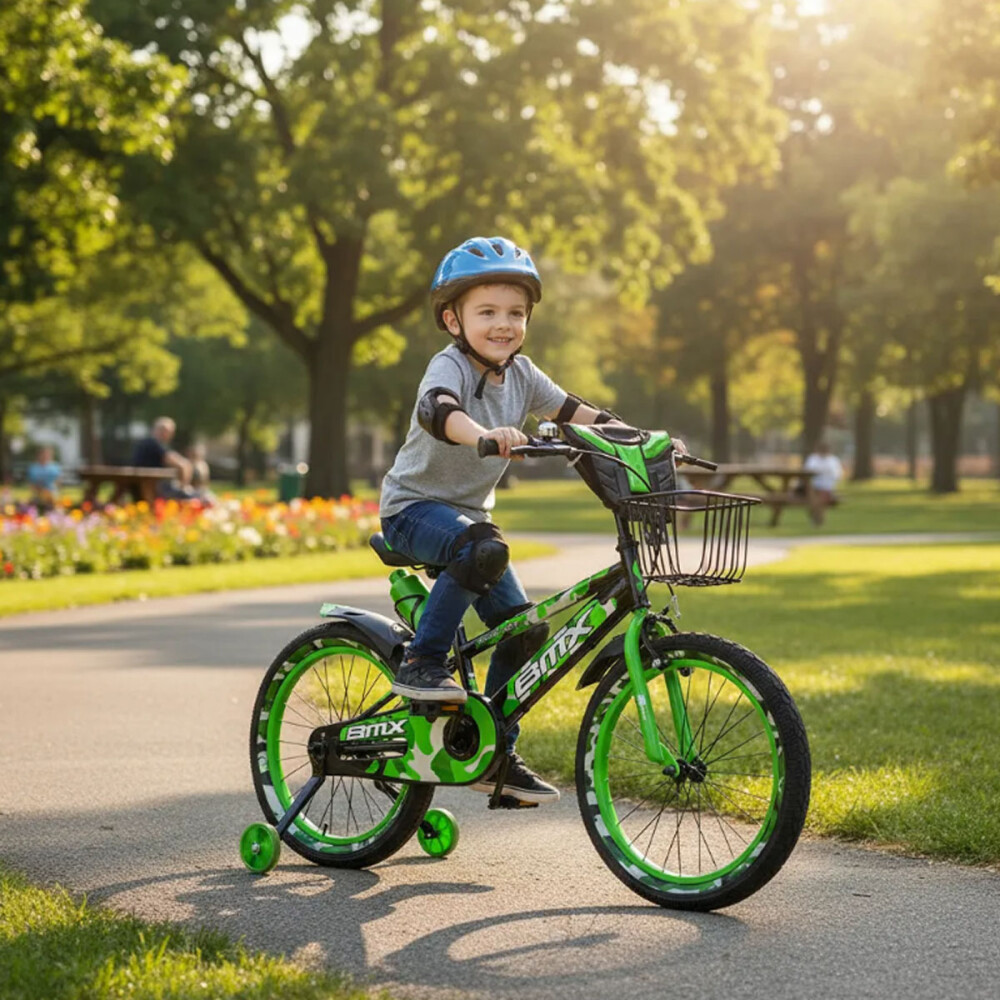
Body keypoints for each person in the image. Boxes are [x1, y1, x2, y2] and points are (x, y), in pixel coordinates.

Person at [379, 236, 676, 804]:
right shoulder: (449, 365)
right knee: (484, 548)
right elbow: (439, 411)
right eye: (486, 312)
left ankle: (495, 750)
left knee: (527, 628)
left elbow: (580, 414)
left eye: (515, 313)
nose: (503, 324)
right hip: (412, 511)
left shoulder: (523, 374)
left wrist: (644, 440)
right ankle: (421, 663)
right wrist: (484, 435)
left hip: (466, 521)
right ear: (453, 319)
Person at [132, 417, 195, 500]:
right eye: (166, 431)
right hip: (153, 489)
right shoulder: (154, 443)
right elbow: (182, 465)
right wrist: (184, 487)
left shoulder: (145, 443)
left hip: (141, 487)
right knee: (191, 497)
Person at [803, 440, 843, 526]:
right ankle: (817, 518)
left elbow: (837, 475)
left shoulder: (833, 460)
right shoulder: (813, 458)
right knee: (813, 495)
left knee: (819, 499)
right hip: (814, 486)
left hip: (826, 486)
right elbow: (807, 471)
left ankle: (816, 516)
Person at [27, 446, 62, 511]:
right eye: (43, 454)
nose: (45, 456)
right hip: (38, 491)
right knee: (34, 501)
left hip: (51, 492)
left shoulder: (54, 467)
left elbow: (58, 481)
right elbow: (31, 483)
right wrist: (38, 489)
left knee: (52, 498)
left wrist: (51, 490)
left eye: (47, 454)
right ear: (38, 455)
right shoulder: (33, 468)